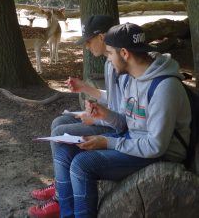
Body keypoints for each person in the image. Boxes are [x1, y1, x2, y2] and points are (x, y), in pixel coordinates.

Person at [52, 23, 191, 217]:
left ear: (124, 53)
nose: (108, 59)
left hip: (163, 154)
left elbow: (156, 146)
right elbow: (126, 123)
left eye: (110, 54)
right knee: (66, 147)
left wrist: (108, 141)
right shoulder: (130, 78)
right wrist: (105, 115)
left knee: (82, 164)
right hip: (135, 141)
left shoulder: (164, 87)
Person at [28, 15, 124, 218]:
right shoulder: (110, 62)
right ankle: (61, 188)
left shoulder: (121, 63)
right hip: (113, 120)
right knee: (58, 122)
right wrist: (85, 88)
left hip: (118, 128)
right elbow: (117, 99)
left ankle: (61, 200)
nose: (87, 47)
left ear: (102, 37)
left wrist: (97, 119)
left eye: (88, 41)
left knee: (62, 131)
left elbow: (126, 112)